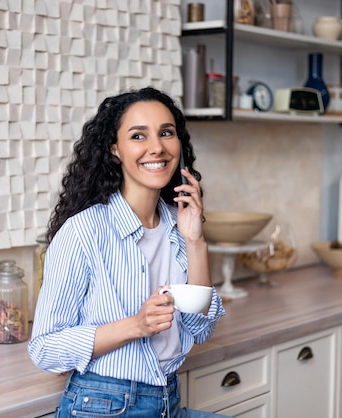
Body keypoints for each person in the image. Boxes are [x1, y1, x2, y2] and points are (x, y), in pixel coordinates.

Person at [28, 86, 227, 417]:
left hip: (167, 401)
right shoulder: (84, 231)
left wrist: (195, 241)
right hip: (102, 404)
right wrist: (136, 325)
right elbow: (44, 349)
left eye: (166, 133)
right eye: (138, 136)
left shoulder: (177, 226)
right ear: (115, 150)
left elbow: (201, 329)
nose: (157, 148)